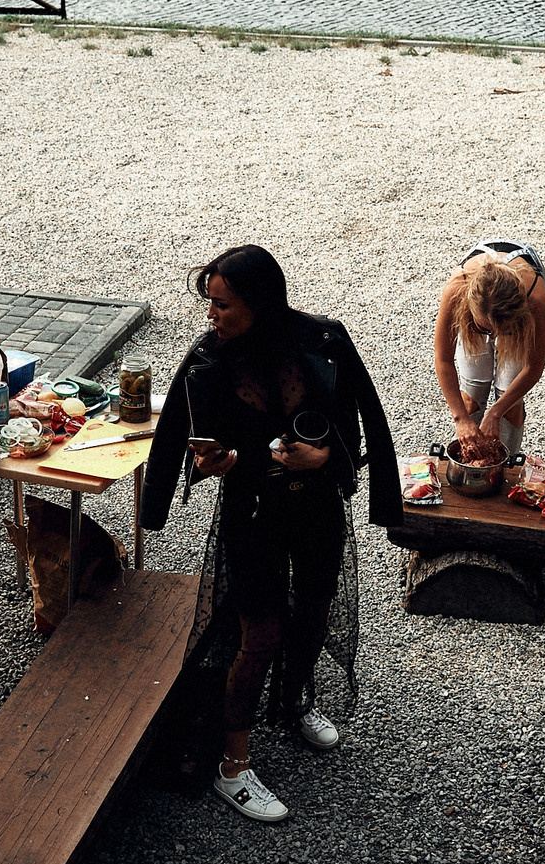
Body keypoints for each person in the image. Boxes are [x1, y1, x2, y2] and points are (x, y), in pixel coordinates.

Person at [140, 246, 397, 824]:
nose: (210, 315)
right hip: (252, 513)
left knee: (312, 611)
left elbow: (362, 425)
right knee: (257, 635)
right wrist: (218, 464)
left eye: (222, 304)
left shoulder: (325, 341)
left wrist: (328, 454)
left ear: (259, 303)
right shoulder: (209, 359)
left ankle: (293, 701)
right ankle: (232, 768)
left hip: (317, 509)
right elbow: (187, 439)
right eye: (209, 302)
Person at [431, 238, 545, 462]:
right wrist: (461, 419)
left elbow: (533, 368)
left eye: (500, 331)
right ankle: (468, 458)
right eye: (484, 328)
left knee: (509, 401)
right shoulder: (457, 289)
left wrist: (496, 412)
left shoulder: (536, 299)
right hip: (477, 307)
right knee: (472, 396)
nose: (494, 336)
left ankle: (505, 464)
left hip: (516, 313)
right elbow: (443, 359)